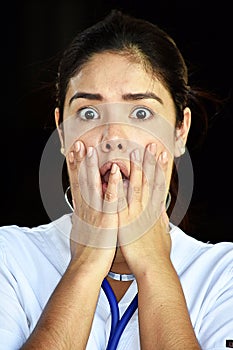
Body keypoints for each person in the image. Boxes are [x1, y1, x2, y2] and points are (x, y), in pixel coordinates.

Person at [0, 9, 232, 350]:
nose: (113, 136)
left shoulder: (223, 274)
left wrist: (154, 264)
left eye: (141, 112)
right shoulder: (10, 256)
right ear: (62, 133)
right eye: (89, 113)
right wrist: (88, 259)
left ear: (180, 131)